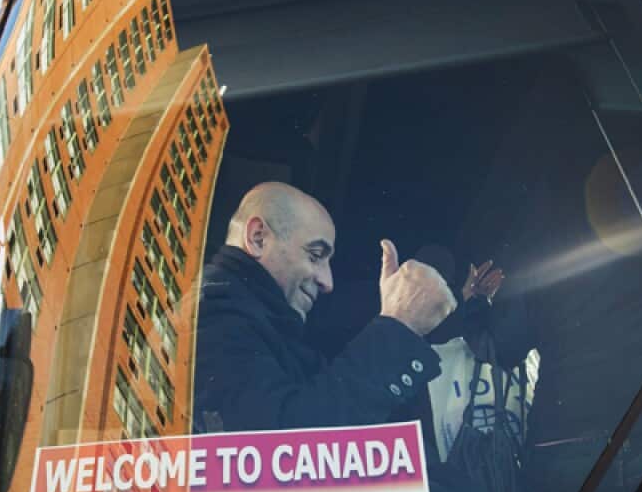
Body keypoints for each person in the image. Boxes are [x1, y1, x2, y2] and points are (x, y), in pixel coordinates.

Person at [192, 182, 458, 434]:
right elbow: (283, 453)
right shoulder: (212, 316)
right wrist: (399, 327)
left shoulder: (246, 317)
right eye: (315, 255)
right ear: (258, 238)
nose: (327, 282)